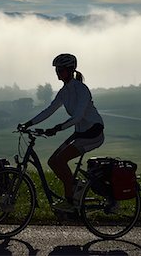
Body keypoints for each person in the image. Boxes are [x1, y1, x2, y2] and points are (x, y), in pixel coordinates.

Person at [19, 53, 104, 212]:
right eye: (57, 69)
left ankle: (71, 199)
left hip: (93, 133)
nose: (57, 72)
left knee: (60, 160)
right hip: (80, 133)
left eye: (61, 69)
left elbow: (78, 116)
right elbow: (49, 110)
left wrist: (57, 128)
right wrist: (28, 124)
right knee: (53, 161)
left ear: (70, 70)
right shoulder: (64, 91)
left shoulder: (81, 89)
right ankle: (75, 189)